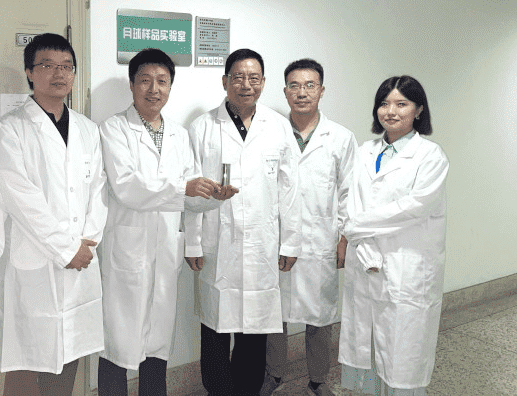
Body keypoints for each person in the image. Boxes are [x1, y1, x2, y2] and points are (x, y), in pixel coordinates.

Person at [98, 48, 223, 396]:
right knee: (117, 345)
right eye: (145, 80)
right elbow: (127, 186)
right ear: (131, 84)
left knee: (157, 344)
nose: (154, 89)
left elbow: (189, 194)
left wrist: (212, 195)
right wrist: (184, 188)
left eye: (162, 81)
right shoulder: (114, 129)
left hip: (165, 250)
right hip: (127, 250)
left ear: (170, 86)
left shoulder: (179, 135)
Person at [0, 33, 108, 396]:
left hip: (81, 257)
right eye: (48, 65)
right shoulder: (9, 129)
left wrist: (87, 240)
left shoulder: (88, 129)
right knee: (28, 356)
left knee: (70, 350)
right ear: (30, 72)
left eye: (66, 66)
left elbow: (99, 189)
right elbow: (20, 198)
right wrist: (66, 248)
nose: (59, 74)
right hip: (37, 260)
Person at [184, 48, 302, 396]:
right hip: (217, 244)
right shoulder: (203, 127)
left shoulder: (278, 127)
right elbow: (190, 189)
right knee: (215, 330)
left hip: (262, 246)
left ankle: (248, 389)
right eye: (238, 77)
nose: (246, 85)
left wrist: (290, 241)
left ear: (263, 83)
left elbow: (290, 190)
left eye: (253, 78)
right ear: (225, 82)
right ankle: (218, 391)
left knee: (254, 333)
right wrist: (192, 242)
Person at [339, 75, 449, 395]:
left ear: (419, 110)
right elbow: (349, 200)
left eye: (402, 104)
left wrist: (355, 228)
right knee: (367, 339)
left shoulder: (430, 156)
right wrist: (361, 240)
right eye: (384, 104)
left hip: (407, 264)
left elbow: (414, 208)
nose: (391, 111)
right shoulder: (364, 151)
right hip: (365, 260)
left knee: (402, 345)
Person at [263, 59, 357, 396]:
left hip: (321, 241)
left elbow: (350, 192)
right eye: (294, 85)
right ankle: (273, 375)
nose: (302, 92)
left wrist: (344, 237)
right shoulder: (270, 133)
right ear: (285, 91)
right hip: (277, 239)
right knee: (275, 314)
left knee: (320, 316)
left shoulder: (341, 138)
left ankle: (318, 380)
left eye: (309, 85)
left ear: (321, 90)